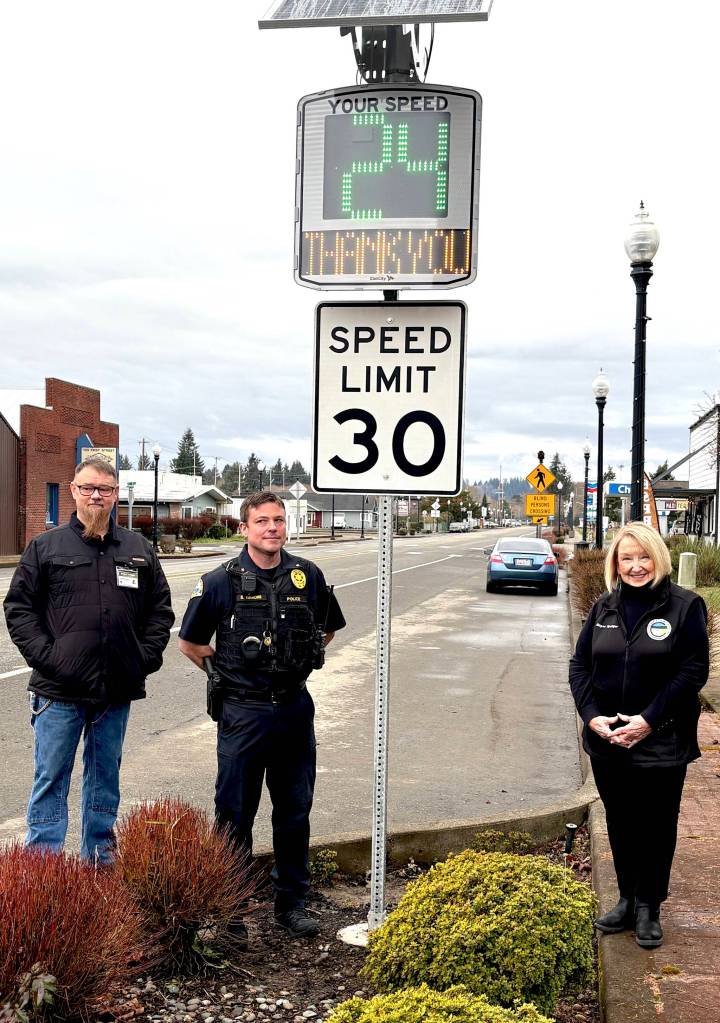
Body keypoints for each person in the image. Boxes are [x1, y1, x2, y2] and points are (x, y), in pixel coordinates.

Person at [179, 491, 345, 940]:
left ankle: (291, 904)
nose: (272, 528)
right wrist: (226, 677)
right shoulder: (220, 581)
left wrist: (301, 657)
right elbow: (191, 644)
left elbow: (327, 629)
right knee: (234, 813)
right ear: (244, 528)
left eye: (278, 520)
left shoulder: (307, 576)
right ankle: (229, 909)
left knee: (294, 810)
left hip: (293, 708)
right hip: (243, 714)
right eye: (262, 521)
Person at [3, 457, 174, 864]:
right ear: (73, 492)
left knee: (104, 782)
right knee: (51, 781)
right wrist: (48, 658)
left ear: (116, 494)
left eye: (105, 489)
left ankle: (100, 865)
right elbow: (19, 609)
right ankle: (43, 873)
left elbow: (160, 611)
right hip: (58, 692)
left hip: (115, 691)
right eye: (87, 488)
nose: (96, 495)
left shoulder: (138, 549)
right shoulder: (45, 547)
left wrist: (141, 659)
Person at [569, 521, 709, 948]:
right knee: (621, 821)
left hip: (662, 740)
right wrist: (592, 716)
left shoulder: (685, 607)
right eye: (626, 558)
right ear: (615, 563)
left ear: (658, 558)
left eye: (643, 556)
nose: (635, 566)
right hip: (609, 742)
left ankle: (650, 905)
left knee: (657, 824)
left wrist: (647, 719)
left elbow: (693, 672)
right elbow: (579, 667)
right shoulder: (604, 608)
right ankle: (627, 899)